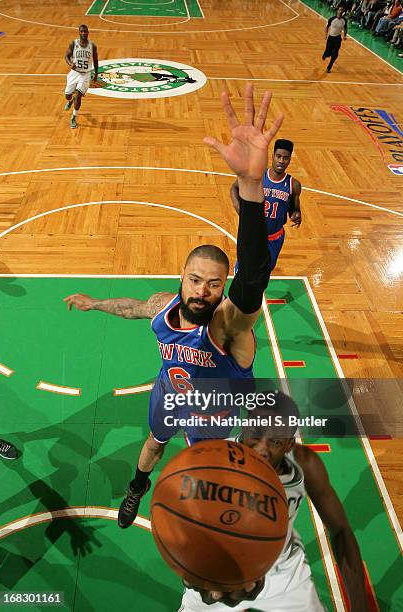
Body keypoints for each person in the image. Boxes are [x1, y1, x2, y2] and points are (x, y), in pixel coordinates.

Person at [63, 84, 283, 530]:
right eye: (195, 280)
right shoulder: (165, 308)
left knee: (210, 470)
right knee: (152, 446)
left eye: (213, 285)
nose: (202, 291)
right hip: (169, 395)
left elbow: (254, 276)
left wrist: (252, 187)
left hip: (215, 414)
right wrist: (94, 303)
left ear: (223, 291)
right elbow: (135, 307)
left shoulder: (229, 328)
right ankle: (136, 488)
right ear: (182, 279)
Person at [179, 394, 370, 612]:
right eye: (256, 434)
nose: (261, 449)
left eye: (276, 441)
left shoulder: (304, 464)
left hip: (282, 573)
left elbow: (341, 531)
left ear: (289, 444)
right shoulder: (211, 463)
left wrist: (360, 606)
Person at [230, 138, 302, 273]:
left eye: (285, 158)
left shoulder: (294, 185)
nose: (281, 161)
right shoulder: (257, 175)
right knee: (243, 269)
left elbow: (294, 209)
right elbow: (234, 188)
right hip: (252, 233)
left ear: (289, 160)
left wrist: (296, 215)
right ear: (273, 156)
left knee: (265, 271)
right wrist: (241, 211)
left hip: (274, 237)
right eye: (278, 156)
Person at [64, 25, 98, 129]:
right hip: (75, 73)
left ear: (88, 32)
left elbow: (96, 60)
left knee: (78, 95)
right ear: (79, 32)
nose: (84, 33)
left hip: (86, 74)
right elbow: (66, 56)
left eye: (85, 31)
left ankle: (74, 117)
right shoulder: (74, 44)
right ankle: (70, 101)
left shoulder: (92, 46)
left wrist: (96, 74)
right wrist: (70, 64)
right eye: (82, 31)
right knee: (67, 95)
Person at [322, 7, 348, 73]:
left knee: (335, 54)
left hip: (338, 38)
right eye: (339, 10)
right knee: (328, 53)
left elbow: (345, 28)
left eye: (342, 10)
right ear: (337, 11)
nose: (340, 11)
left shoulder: (344, 20)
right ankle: (325, 54)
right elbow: (327, 27)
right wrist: (325, 35)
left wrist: (344, 35)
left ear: (343, 12)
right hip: (330, 38)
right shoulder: (332, 19)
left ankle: (329, 67)